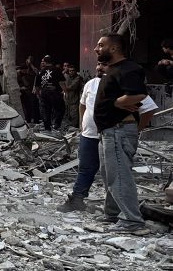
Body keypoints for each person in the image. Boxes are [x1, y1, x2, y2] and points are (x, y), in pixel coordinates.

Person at [57, 61, 159, 213]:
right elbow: (82, 103)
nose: (99, 67)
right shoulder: (91, 84)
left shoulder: (123, 85)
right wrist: (81, 122)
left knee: (114, 174)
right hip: (89, 135)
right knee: (85, 168)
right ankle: (77, 199)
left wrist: (136, 130)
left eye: (104, 64)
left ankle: (121, 212)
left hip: (112, 136)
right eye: (98, 64)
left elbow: (149, 109)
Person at [92, 34, 151, 234]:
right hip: (109, 131)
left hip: (119, 130)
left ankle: (132, 220)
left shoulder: (129, 68)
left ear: (114, 48)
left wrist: (117, 103)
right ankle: (112, 214)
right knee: (110, 175)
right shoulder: (112, 69)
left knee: (119, 175)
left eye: (101, 45)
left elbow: (140, 94)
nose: (96, 49)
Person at [36, 55, 67, 132]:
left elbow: (37, 86)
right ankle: (56, 125)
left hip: (44, 91)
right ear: (52, 62)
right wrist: (66, 92)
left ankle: (47, 127)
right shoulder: (57, 70)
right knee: (60, 108)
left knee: (46, 110)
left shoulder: (41, 71)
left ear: (45, 62)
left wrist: (38, 94)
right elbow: (61, 82)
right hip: (55, 91)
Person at [62, 64, 84, 129]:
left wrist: (64, 90)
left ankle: (74, 128)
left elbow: (73, 86)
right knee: (69, 115)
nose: (71, 72)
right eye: (70, 71)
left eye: (73, 71)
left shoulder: (78, 78)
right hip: (68, 99)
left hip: (75, 99)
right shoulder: (68, 77)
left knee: (74, 115)